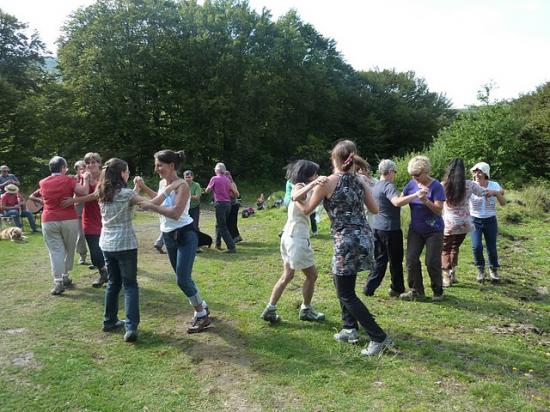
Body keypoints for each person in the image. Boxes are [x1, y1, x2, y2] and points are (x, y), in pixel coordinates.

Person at [297, 140, 393, 357]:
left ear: (334, 158)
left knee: (346, 292)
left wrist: (296, 200)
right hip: (364, 238)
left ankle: (379, 338)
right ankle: (349, 328)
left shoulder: (327, 182)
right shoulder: (360, 181)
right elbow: (375, 209)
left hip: (345, 241)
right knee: (339, 280)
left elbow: (306, 210)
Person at [136, 150, 211, 333]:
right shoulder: (164, 183)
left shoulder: (183, 186)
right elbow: (159, 200)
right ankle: (201, 305)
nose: (156, 169)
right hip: (168, 236)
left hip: (185, 235)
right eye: (156, 165)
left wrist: (152, 206)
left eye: (159, 165)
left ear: (171, 165)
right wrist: (143, 188)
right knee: (184, 278)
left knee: (182, 279)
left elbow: (176, 213)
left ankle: (201, 315)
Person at [260, 160, 326, 324]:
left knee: (287, 275)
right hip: (296, 239)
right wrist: (315, 185)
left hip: (289, 236)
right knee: (312, 275)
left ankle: (270, 308)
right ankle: (306, 309)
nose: (317, 176)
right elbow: (302, 205)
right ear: (307, 174)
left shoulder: (304, 187)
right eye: (315, 173)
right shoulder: (299, 186)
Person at [97, 158, 144, 342]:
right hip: (125, 245)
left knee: (113, 283)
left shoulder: (102, 192)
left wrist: (135, 189)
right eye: (127, 171)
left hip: (107, 244)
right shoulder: (126, 193)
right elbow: (145, 202)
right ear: (121, 173)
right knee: (130, 285)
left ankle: (109, 321)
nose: (129, 173)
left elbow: (127, 202)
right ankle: (131, 327)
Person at [363, 159, 422, 297]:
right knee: (395, 261)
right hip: (390, 229)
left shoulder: (377, 186)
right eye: (394, 172)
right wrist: (415, 195)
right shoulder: (389, 186)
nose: (394, 174)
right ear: (390, 171)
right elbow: (396, 202)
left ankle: (369, 287)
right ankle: (397, 288)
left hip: (377, 228)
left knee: (380, 259)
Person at [440, 158, 496, 287]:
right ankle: (453, 273)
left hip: (449, 222)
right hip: (465, 222)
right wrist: (498, 192)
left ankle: (446, 277)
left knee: (445, 249)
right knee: (455, 247)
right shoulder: (470, 184)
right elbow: (484, 193)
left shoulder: (444, 185)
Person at [38, 156, 89, 295]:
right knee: (68, 249)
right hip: (68, 219)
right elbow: (84, 191)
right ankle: (65, 277)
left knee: (55, 251)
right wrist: (85, 178)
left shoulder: (42, 182)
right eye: (65, 167)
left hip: (48, 219)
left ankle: (59, 281)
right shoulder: (69, 180)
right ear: (62, 168)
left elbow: (41, 197)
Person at [399, 156, 446, 302]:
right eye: (412, 175)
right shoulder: (411, 184)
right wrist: (413, 195)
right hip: (416, 229)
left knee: (432, 261)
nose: (415, 178)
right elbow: (400, 200)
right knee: (411, 260)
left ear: (426, 172)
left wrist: (425, 200)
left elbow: (439, 210)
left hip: (434, 230)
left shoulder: (437, 186)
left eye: (417, 175)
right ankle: (416, 290)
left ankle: (438, 291)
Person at [469, 162, 506, 283]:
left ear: (486, 173)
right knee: (476, 246)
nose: (477, 174)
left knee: (491, 246)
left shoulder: (494, 185)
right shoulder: (470, 185)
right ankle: (480, 269)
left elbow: (503, 203)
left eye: (480, 172)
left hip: (490, 220)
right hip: (474, 220)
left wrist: (496, 193)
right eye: (475, 172)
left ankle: (493, 269)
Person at [81, 153, 109, 287]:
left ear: (99, 163)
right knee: (94, 252)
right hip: (88, 217)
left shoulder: (105, 176)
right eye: (88, 163)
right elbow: (82, 193)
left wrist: (73, 201)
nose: (90, 165)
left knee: (107, 249)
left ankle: (111, 274)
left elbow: (96, 195)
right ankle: (104, 273)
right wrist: (84, 180)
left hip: (105, 216)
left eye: (93, 162)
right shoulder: (83, 177)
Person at [204, 162, 237, 253]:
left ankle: (231, 247)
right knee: (219, 224)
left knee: (222, 226)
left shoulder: (214, 178)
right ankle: (217, 244)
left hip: (220, 204)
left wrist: (204, 190)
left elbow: (208, 190)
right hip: (228, 204)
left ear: (217, 170)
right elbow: (231, 190)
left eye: (215, 169)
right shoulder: (227, 179)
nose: (214, 170)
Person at [74, 160, 88, 264]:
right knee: (81, 235)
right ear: (77, 170)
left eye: (84, 167)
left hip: (91, 209)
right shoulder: (74, 180)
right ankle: (82, 255)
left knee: (95, 234)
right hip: (78, 209)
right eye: (80, 168)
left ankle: (98, 256)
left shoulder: (90, 178)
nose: (83, 169)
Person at [225, 170, 242, 243]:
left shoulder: (231, 184)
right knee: (230, 222)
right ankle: (236, 236)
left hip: (233, 205)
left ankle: (235, 237)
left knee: (231, 222)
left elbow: (236, 194)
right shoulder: (227, 183)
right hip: (230, 204)